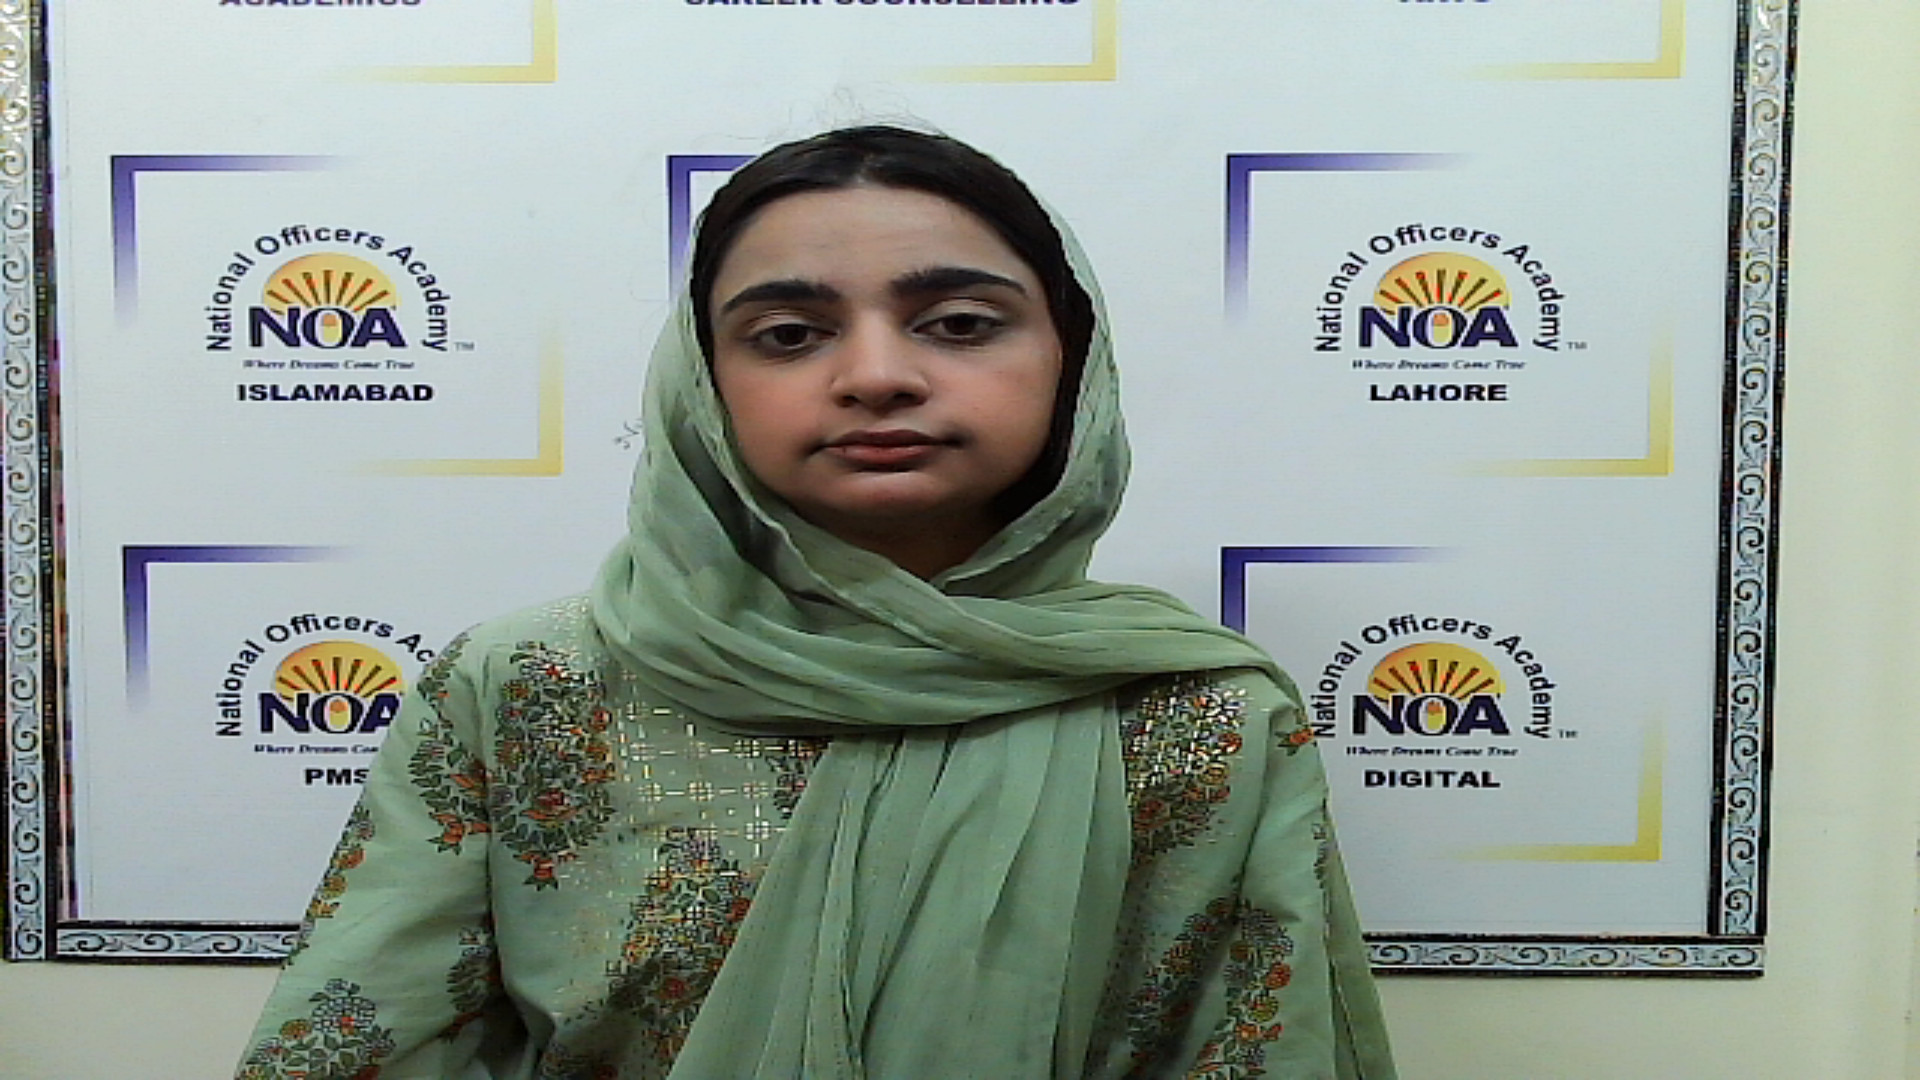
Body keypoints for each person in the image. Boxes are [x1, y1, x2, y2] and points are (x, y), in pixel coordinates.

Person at [237, 125, 1396, 1079]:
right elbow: (366, 1044)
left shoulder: (1198, 714)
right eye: (789, 335)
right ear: (702, 382)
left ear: (1072, 359)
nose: (877, 375)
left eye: (960, 324)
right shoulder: (528, 685)